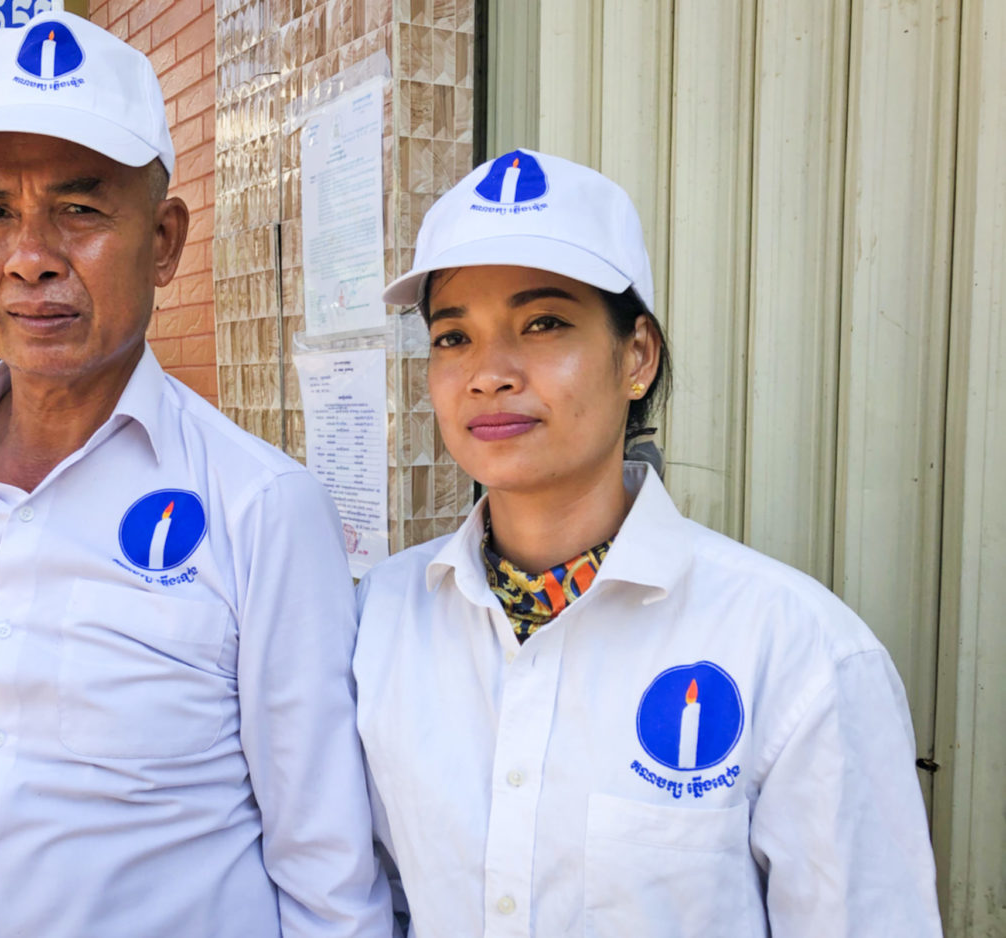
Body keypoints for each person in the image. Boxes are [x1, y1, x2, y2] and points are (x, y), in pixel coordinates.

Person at [0, 13, 392, 937]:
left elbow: (324, 871)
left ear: (163, 241)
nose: (31, 258)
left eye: (79, 210)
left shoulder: (261, 508)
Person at [353, 148, 943, 937]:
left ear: (636, 355)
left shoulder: (796, 651)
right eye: (454, 337)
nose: (488, 373)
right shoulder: (378, 621)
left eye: (543, 323)